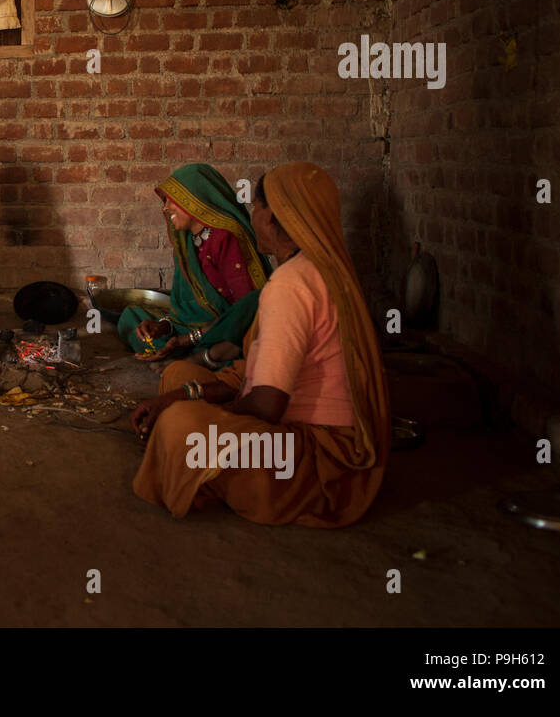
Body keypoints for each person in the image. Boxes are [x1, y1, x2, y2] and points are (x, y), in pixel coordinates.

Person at [129, 162, 391, 528]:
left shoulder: (291, 285)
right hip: (300, 431)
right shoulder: (323, 268)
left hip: (315, 459)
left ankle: (212, 473)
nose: (251, 216)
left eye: (257, 207)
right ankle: (202, 461)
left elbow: (266, 404)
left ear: (274, 216)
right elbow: (249, 374)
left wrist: (204, 411)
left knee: (178, 427)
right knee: (177, 376)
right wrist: (182, 394)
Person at [118, 163, 271, 370]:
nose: (165, 207)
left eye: (172, 200)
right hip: (190, 327)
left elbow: (244, 313)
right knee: (130, 318)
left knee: (236, 348)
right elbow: (185, 309)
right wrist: (163, 327)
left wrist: (190, 338)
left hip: (222, 329)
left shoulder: (225, 239)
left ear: (193, 200)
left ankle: (194, 358)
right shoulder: (187, 240)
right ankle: (180, 354)